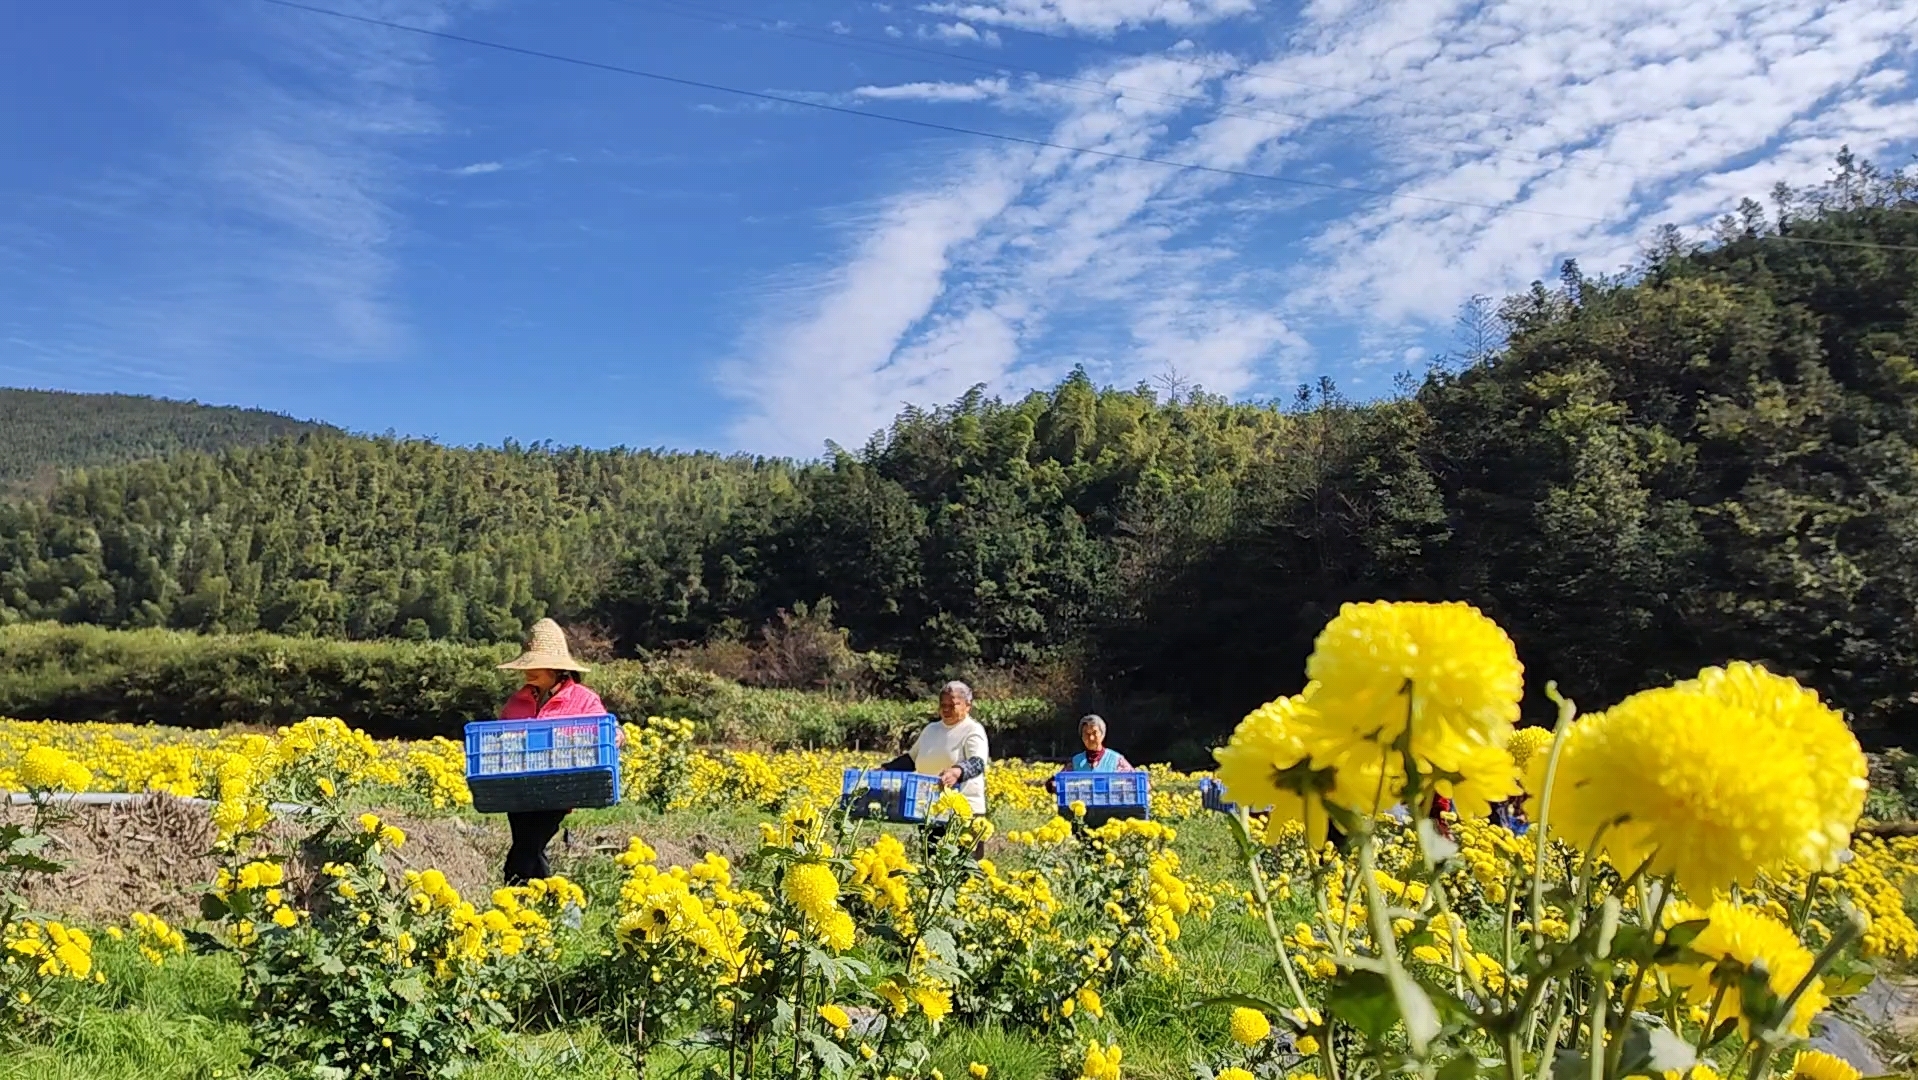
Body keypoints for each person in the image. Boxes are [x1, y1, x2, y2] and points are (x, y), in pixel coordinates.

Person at [496, 618, 606, 885]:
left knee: (524, 852)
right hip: (520, 789)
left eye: (536, 665)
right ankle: (558, 908)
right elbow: (500, 737)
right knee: (530, 848)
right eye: (528, 665)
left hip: (558, 789)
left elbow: (607, 730)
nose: (529, 671)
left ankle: (511, 896)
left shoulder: (583, 699)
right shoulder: (517, 701)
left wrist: (612, 736)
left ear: (556, 669)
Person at [880, 681, 989, 850]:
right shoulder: (931, 729)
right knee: (932, 866)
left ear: (968, 706)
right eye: (942, 705)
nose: (946, 709)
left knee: (962, 869)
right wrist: (885, 769)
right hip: (930, 809)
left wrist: (957, 772)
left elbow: (978, 762)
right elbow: (911, 760)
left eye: (952, 705)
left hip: (964, 814)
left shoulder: (972, 730)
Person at [1045, 714, 1133, 794]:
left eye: (1094, 733)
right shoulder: (1076, 761)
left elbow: (1135, 780)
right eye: (1086, 734)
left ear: (1102, 734)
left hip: (1112, 809)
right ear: (1082, 737)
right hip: (1082, 809)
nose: (1091, 738)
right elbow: (1056, 780)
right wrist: (1054, 785)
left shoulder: (1116, 759)